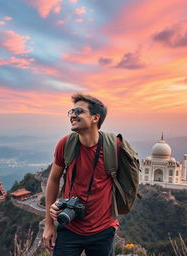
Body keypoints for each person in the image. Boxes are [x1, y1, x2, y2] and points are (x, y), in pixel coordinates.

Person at [42, 93, 119, 256]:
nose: (73, 115)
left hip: (103, 230)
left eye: (79, 111)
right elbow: (54, 180)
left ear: (95, 118)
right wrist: (49, 224)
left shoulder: (114, 148)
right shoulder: (65, 144)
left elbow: (126, 182)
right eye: (71, 111)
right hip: (69, 225)